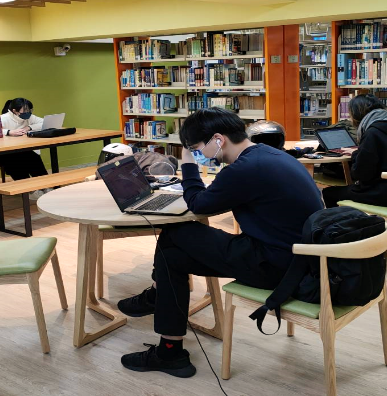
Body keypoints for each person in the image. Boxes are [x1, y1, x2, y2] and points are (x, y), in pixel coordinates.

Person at [118, 108, 324, 378]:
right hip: (299, 259)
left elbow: (198, 203)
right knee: (173, 257)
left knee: (175, 232)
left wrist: (188, 164)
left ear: (218, 139)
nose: (199, 153)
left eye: (197, 147)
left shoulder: (244, 169)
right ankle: (169, 347)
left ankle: (160, 308)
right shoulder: (269, 155)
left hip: (278, 266)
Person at [321, 94, 387, 208]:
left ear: (356, 115)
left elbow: (361, 174)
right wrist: (359, 152)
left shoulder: (373, 132)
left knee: (329, 193)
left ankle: (352, 223)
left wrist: (357, 155)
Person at [0, 98, 48, 184]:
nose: (28, 112)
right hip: (4, 151)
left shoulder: (29, 118)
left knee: (33, 156)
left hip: (21, 148)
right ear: (15, 111)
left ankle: (45, 185)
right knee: (14, 160)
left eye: (30, 110)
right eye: (25, 110)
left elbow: (44, 122)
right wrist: (9, 132)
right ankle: (29, 189)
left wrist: (29, 127)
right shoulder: (3, 118)